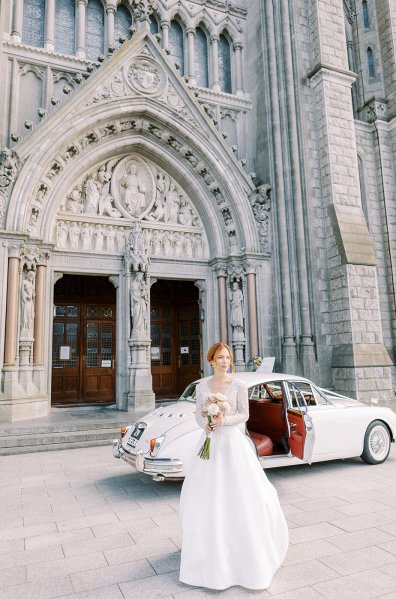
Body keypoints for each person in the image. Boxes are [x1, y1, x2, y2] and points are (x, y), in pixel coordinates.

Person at [179, 342, 289, 590]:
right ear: (211, 360)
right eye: (220, 357)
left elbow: (244, 415)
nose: (224, 361)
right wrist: (206, 423)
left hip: (232, 443)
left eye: (227, 357)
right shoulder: (202, 386)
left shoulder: (238, 385)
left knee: (239, 495)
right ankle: (207, 553)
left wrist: (222, 419)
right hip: (209, 442)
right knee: (207, 497)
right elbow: (197, 413)